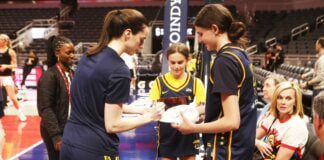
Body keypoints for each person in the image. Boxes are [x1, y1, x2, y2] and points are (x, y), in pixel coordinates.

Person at [60, 9, 163, 160]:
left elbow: (100, 103)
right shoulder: (119, 70)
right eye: (141, 39)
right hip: (95, 149)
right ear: (127, 34)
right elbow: (112, 125)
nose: (142, 46)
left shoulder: (88, 56)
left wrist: (141, 111)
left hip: (69, 144)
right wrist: (149, 117)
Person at [172, 4, 257, 160]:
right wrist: (199, 111)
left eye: (201, 33)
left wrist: (193, 128)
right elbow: (236, 104)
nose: (199, 39)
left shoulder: (224, 61)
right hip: (242, 146)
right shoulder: (240, 53)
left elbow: (232, 121)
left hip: (227, 150)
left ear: (215, 29)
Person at [149, 43, 206, 160]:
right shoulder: (159, 82)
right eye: (172, 62)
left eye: (180, 62)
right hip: (167, 132)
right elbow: (154, 109)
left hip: (189, 132)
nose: (176, 66)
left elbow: (202, 112)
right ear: (167, 61)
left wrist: (196, 115)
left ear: (187, 60)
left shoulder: (196, 83)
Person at [37, 35, 75, 160]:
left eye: (73, 52)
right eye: (68, 52)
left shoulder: (72, 73)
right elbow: (45, 108)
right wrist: (56, 136)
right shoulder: (50, 76)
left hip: (70, 128)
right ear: (57, 53)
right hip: (55, 131)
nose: (72, 56)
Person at [255, 82, 308, 160]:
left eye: (288, 98)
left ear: (295, 102)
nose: (283, 102)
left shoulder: (296, 126)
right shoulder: (273, 117)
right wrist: (257, 142)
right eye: (280, 97)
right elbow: (251, 137)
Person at [0, 34, 26, 121]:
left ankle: (20, 113)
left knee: (12, 97)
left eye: (1, 39)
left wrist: (6, 66)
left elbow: (15, 65)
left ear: (5, 41)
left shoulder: (11, 51)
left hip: (7, 77)